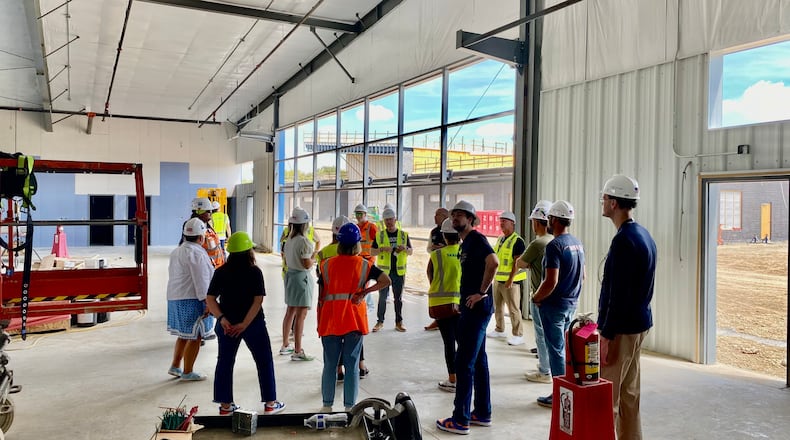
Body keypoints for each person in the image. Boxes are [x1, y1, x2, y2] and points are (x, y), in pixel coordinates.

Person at [599, 175, 656, 439]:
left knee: (606, 397)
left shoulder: (623, 241)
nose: (602, 202)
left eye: (605, 198)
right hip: (639, 324)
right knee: (629, 393)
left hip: (622, 329)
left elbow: (616, 295)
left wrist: (606, 335)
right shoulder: (643, 235)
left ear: (613, 203)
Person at [205, 231, 286, 416]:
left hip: (227, 326)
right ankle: (270, 404)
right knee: (264, 360)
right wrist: (244, 324)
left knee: (224, 362)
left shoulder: (221, 272)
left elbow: (210, 299)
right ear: (249, 251)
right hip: (253, 324)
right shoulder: (254, 272)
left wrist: (222, 319)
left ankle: (225, 407)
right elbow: (258, 301)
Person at [436, 200, 498, 435]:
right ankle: (482, 412)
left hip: (477, 311)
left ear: (471, 219)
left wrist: (481, 293)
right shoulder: (466, 244)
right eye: (454, 215)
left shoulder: (477, 240)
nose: (455, 219)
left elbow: (493, 262)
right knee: (479, 361)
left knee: (464, 363)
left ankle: (460, 419)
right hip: (472, 309)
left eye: (460, 215)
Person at [317, 223, 391, 412]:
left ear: (339, 243)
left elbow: (320, 296)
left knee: (330, 365)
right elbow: (386, 281)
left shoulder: (325, 265)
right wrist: (365, 292)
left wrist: (320, 323)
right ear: (358, 244)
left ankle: (327, 406)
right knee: (352, 366)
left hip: (330, 321)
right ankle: (350, 408)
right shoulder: (365, 264)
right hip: (353, 321)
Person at [531, 200, 585, 409]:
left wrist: (537, 297)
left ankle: (561, 394)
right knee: (565, 350)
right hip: (571, 303)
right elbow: (583, 276)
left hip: (554, 306)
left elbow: (550, 281)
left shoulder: (555, 246)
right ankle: (568, 390)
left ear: (553, 220)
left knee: (556, 351)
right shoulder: (576, 243)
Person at [316, 216, 370, 380]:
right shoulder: (359, 259)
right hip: (353, 305)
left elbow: (321, 281)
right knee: (354, 337)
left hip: (331, 305)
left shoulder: (324, 253)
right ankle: (360, 366)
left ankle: (338, 370)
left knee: (335, 338)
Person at [166, 217, 215, 381]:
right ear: (201, 237)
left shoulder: (178, 250)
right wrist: (208, 301)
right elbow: (201, 280)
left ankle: (175, 365)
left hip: (175, 297)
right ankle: (187, 371)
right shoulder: (197, 253)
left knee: (185, 334)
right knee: (195, 335)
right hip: (192, 299)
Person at [518, 200, 555, 384]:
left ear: (537, 222)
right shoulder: (556, 241)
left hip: (540, 295)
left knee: (541, 334)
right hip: (555, 297)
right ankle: (551, 368)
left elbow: (521, 264)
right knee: (553, 336)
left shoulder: (538, 243)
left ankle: (544, 371)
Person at [427, 218, 461, 392]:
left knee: (449, 343)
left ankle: (452, 379)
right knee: (462, 341)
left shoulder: (436, 255)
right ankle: (463, 376)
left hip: (440, 304)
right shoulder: (465, 252)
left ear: (445, 236)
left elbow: (430, 274)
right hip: (461, 304)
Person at [281, 207, 316, 361]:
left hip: (290, 276)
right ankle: (297, 350)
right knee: (301, 315)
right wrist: (314, 259)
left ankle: (285, 345)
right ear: (304, 225)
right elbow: (307, 264)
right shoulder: (304, 241)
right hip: (301, 278)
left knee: (290, 312)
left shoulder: (289, 240)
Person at [371, 207, 412, 332]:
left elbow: (411, 252)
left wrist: (404, 248)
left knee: (398, 298)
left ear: (395, 219)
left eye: (390, 219)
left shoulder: (404, 235)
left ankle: (399, 322)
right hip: (384, 273)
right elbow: (372, 251)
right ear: (383, 221)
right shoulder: (380, 235)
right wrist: (382, 249)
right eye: (386, 220)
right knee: (382, 297)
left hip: (398, 272)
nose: (389, 222)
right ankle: (380, 321)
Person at [489, 211, 527, 346]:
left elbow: (517, 263)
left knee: (513, 308)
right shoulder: (500, 239)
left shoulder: (517, 241)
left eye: (504, 221)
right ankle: (499, 329)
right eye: (500, 221)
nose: (501, 223)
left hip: (512, 282)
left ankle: (518, 334)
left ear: (512, 223)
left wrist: (510, 279)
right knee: (497, 306)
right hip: (498, 279)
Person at [425, 207, 449, 331]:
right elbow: (428, 248)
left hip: (449, 264)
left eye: (437, 215)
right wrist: (434, 248)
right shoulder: (434, 231)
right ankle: (437, 319)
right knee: (434, 286)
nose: (434, 217)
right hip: (435, 262)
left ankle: (448, 317)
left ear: (445, 216)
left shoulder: (453, 230)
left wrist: (445, 248)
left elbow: (458, 246)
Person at [184, 197, 225, 268]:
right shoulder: (193, 228)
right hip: (207, 269)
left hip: (217, 268)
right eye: (209, 211)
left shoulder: (208, 226)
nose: (211, 213)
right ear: (200, 212)